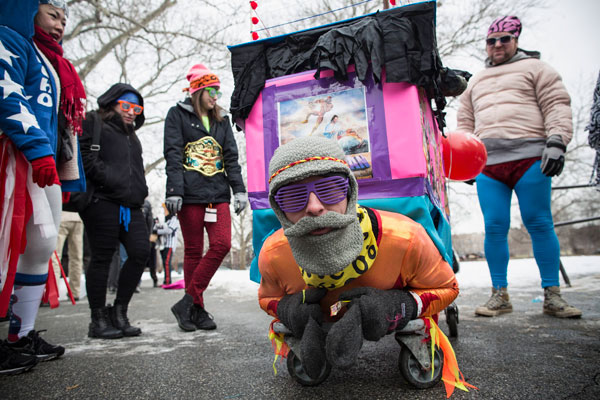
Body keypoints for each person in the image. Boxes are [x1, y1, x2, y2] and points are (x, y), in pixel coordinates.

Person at [257, 136, 459, 380]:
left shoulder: (406, 239)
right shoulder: (273, 254)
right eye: (292, 195)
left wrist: (398, 305)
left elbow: (447, 287)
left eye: (329, 188)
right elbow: (268, 298)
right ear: (279, 209)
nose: (314, 207)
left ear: (350, 192)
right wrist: (289, 310)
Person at [456, 16, 581, 318]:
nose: (497, 45)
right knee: (494, 226)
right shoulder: (475, 81)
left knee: (538, 222)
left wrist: (556, 142)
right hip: (489, 164)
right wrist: (464, 162)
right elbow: (465, 123)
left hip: (531, 158)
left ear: (516, 40)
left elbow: (556, 104)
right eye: (491, 40)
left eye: (504, 39)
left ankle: (553, 295)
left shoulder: (538, 69)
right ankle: (500, 294)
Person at [0, 0, 86, 374]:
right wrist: (36, 148)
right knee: (4, 248)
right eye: (53, 15)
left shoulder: (53, 61)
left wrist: (68, 172)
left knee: (40, 246)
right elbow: (6, 93)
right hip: (16, 155)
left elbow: (61, 122)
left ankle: (22, 335)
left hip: (43, 160)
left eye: (65, 19)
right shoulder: (12, 39)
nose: (60, 25)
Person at [164, 63, 247, 332]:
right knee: (192, 251)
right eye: (212, 91)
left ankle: (188, 301)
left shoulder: (222, 121)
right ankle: (196, 309)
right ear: (198, 91)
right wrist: (174, 192)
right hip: (189, 195)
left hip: (217, 194)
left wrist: (240, 190)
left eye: (218, 92)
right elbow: (173, 154)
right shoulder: (176, 115)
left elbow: (231, 158)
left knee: (221, 244)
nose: (216, 97)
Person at [79, 83, 149, 339]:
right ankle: (97, 319)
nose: (132, 112)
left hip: (132, 206)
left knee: (140, 252)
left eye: (136, 108)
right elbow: (85, 156)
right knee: (102, 258)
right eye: (127, 106)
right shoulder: (93, 122)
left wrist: (141, 190)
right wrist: (109, 179)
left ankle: (119, 311)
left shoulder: (132, 134)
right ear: (112, 103)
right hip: (103, 201)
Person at [51, 210, 84, 301]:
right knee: (77, 256)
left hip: (61, 216)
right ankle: (75, 291)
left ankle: (54, 293)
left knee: (55, 257)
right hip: (77, 217)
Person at [156, 207, 180, 286]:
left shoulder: (174, 220)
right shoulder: (168, 220)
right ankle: (165, 280)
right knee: (164, 263)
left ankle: (167, 281)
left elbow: (169, 230)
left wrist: (157, 231)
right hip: (164, 244)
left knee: (166, 263)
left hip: (170, 245)